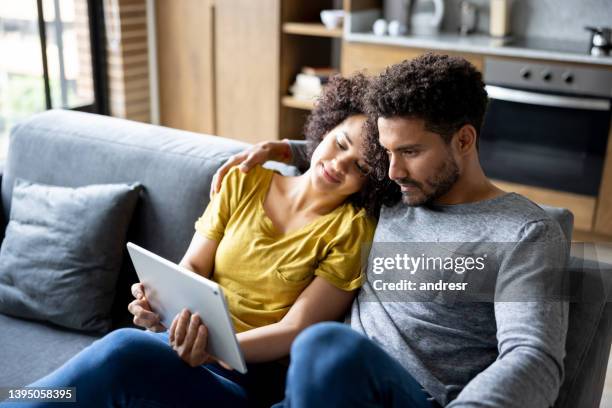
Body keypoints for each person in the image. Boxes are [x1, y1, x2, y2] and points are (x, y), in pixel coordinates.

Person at [1, 74, 397, 408]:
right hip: (185, 348)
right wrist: (160, 303)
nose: (340, 164)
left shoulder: (352, 229)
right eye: (341, 144)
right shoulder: (244, 180)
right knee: (122, 355)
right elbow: (192, 267)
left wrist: (214, 349)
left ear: (372, 181)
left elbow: (296, 330)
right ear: (325, 130)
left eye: (361, 167)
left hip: (244, 377)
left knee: (123, 349)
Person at [214, 53, 569, 408]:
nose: (392, 170)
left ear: (463, 141)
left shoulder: (526, 233)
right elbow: (339, 157)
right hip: (327, 391)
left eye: (410, 151)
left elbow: (533, 356)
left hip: (414, 397)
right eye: (385, 152)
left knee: (324, 342)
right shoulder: (392, 195)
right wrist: (283, 150)